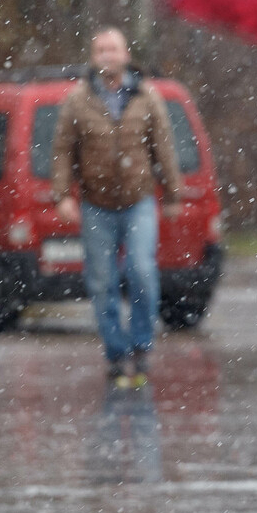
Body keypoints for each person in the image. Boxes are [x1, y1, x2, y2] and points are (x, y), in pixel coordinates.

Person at [50, 27, 184, 387]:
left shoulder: (147, 97)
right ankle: (115, 352)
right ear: (93, 57)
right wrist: (62, 195)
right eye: (100, 50)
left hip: (139, 200)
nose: (107, 55)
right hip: (96, 204)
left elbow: (164, 147)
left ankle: (141, 345)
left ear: (126, 55)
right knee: (102, 281)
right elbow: (63, 150)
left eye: (113, 49)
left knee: (140, 270)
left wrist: (172, 193)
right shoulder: (77, 102)